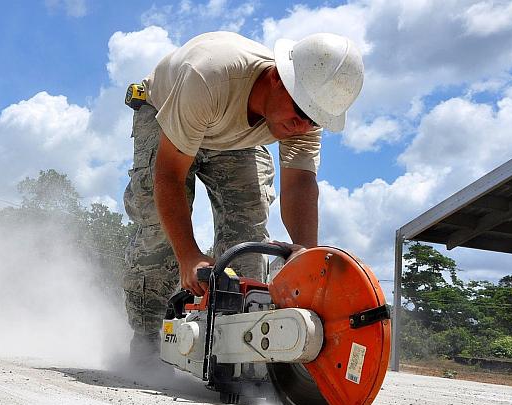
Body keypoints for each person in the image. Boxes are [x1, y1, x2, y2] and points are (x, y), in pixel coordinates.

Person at [122, 31, 364, 365]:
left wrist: (305, 255)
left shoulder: (305, 114)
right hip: (168, 112)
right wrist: (189, 255)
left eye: (313, 119)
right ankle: (147, 342)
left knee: (248, 234)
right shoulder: (208, 77)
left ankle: (230, 348)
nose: (302, 125)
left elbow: (300, 184)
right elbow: (169, 175)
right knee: (161, 232)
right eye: (299, 112)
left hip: (232, 136)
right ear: (278, 78)